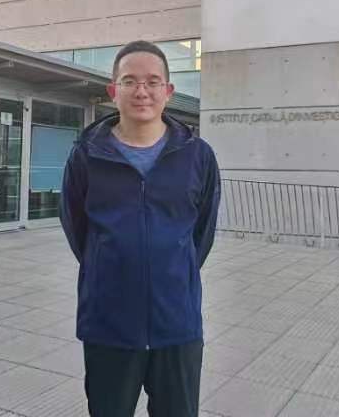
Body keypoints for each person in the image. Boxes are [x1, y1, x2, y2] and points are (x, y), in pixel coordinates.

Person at [60, 40, 221, 417]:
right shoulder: (86, 154)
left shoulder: (197, 156)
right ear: (112, 91)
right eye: (129, 81)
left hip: (176, 324)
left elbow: (202, 232)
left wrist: (173, 270)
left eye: (152, 82)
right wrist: (108, 265)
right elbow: (77, 228)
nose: (141, 91)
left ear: (168, 91)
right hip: (109, 324)